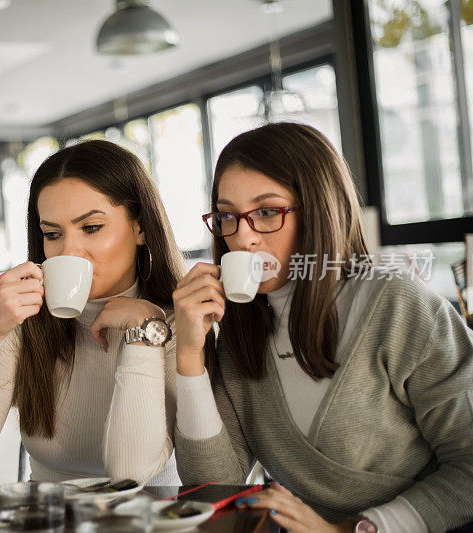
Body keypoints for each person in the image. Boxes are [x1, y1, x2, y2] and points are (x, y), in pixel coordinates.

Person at [171, 123, 473, 532]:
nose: (241, 238)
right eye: (227, 216)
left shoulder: (396, 305)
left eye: (266, 212)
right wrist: (189, 356)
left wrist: (353, 530)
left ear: (318, 209)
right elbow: (213, 485)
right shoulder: (241, 332)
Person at [0, 139, 185, 487]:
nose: (69, 251)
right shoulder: (27, 326)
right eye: (52, 234)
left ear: (139, 227)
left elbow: (130, 476)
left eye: (91, 228)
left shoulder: (172, 326)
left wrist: (142, 331)